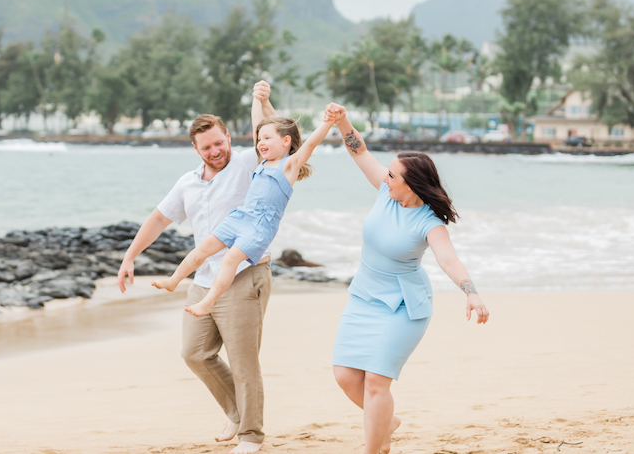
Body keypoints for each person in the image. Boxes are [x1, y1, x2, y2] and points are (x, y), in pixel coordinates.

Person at [116, 81, 277, 454]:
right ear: (195, 149)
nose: (216, 151)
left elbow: (276, 133)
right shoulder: (187, 183)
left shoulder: (249, 164)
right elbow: (158, 220)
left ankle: (251, 436)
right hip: (203, 280)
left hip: (243, 276)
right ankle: (237, 412)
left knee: (243, 362)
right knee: (194, 353)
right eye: (207, 147)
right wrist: (129, 256)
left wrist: (264, 103)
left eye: (220, 143)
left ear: (229, 138)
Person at [325, 104, 490, 454]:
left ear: (411, 183)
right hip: (364, 296)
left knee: (375, 384)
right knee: (345, 377)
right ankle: (388, 421)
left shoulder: (429, 222)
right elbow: (360, 149)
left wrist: (471, 293)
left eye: (393, 175)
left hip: (402, 307)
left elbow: (448, 259)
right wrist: (342, 121)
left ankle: (374, 449)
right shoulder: (385, 193)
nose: (386, 178)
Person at [152, 102, 338, 317]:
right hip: (241, 216)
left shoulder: (289, 165)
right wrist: (258, 100)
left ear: (286, 141)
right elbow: (258, 123)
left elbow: (312, 143)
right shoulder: (262, 161)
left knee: (229, 259)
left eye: (267, 138)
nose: (260, 143)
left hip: (260, 226)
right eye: (259, 139)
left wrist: (329, 121)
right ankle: (173, 280)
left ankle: (208, 302)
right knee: (204, 248)